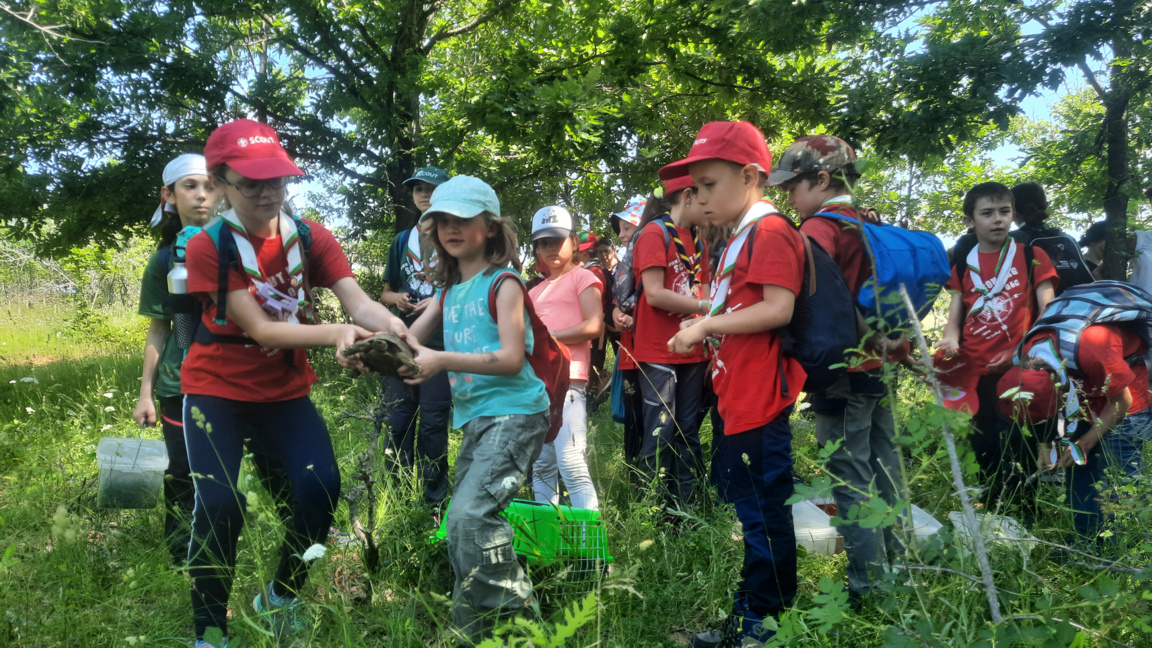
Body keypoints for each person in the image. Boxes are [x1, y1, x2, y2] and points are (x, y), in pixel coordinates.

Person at [181, 119, 408, 648]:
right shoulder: (208, 246)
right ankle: (209, 633)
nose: (265, 193)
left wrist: (394, 329)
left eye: (276, 182)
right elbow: (259, 328)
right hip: (216, 389)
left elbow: (359, 302)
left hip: (284, 392)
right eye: (250, 183)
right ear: (220, 184)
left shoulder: (310, 237)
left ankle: (280, 597)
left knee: (320, 489)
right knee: (219, 505)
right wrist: (338, 335)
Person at [665, 120, 804, 648]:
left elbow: (778, 307)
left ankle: (761, 628)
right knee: (753, 514)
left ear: (749, 175)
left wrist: (705, 324)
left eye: (707, 184)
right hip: (737, 395)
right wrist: (703, 324)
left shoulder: (768, 232)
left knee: (765, 516)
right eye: (694, 188)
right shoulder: (741, 236)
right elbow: (742, 305)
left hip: (760, 400)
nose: (698, 196)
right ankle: (753, 618)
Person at [398, 175, 550, 643]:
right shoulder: (447, 292)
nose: (451, 228)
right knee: (460, 525)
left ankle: (526, 623)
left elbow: (509, 359)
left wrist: (441, 360)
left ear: (490, 226)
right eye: (441, 220)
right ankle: (473, 628)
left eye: (462, 218)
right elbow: (409, 339)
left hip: (517, 412)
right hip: (479, 420)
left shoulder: (504, 283)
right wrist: (368, 351)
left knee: (468, 518)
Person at [768, 134, 909, 603]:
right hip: (879, 369)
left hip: (843, 373)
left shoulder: (816, 231)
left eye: (793, 187)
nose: (789, 196)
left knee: (852, 482)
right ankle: (902, 576)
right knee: (887, 472)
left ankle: (870, 593)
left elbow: (815, 308)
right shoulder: (868, 224)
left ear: (822, 179)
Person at [934, 181, 1058, 519]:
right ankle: (992, 512)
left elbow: (1049, 313)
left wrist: (1020, 352)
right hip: (976, 372)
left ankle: (1025, 514)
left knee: (1020, 442)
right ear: (970, 221)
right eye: (987, 213)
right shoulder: (962, 265)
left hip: (1021, 369)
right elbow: (954, 320)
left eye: (1004, 212)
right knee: (984, 443)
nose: (997, 220)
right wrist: (949, 342)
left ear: (1014, 216)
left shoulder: (1032, 255)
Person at [997, 291, 1151, 542]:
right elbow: (1041, 414)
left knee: (1119, 479)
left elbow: (1122, 403)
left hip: (1125, 405)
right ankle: (1087, 539)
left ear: (1058, 389)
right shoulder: (1024, 355)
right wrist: (1046, 446)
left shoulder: (1092, 348)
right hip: (1084, 401)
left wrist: (1087, 442)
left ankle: (1121, 549)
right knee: (1078, 468)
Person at [132, 153, 221, 565]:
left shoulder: (239, 247)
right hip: (178, 382)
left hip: (235, 377)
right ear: (169, 195)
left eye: (210, 185)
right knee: (182, 470)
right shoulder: (164, 259)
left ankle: (301, 531)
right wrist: (145, 393)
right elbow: (158, 328)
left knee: (260, 461)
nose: (202, 196)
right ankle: (182, 551)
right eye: (190, 186)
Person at [630, 173, 711, 512]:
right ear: (687, 196)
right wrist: (703, 309)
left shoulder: (700, 241)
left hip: (693, 352)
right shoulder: (653, 233)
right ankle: (648, 511)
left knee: (689, 430)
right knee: (659, 431)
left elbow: (703, 287)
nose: (708, 204)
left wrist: (702, 314)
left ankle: (685, 508)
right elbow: (655, 293)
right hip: (658, 350)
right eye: (704, 193)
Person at [379, 166, 452, 511]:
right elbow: (385, 292)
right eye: (418, 189)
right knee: (397, 422)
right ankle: (397, 500)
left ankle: (434, 501)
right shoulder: (401, 241)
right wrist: (399, 301)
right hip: (401, 342)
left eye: (431, 188)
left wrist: (437, 300)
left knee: (434, 424)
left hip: (440, 344)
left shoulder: (454, 237)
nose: (424, 194)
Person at [527, 209, 603, 510]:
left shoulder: (583, 277)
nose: (551, 248)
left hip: (569, 381)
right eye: (543, 242)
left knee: (571, 462)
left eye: (558, 240)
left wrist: (549, 337)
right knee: (541, 465)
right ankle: (545, 548)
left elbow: (594, 325)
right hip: (536, 386)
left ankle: (591, 552)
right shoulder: (534, 291)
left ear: (573, 242)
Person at [609, 196, 647, 468]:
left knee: (653, 415)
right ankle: (634, 475)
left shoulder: (651, 254)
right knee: (633, 415)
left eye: (627, 227)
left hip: (651, 351)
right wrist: (617, 313)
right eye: (620, 228)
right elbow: (616, 302)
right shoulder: (624, 266)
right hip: (630, 352)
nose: (621, 235)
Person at [1007, 182, 1094, 294]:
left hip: (1045, 308)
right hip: (1082, 305)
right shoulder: (1067, 238)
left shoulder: (1011, 240)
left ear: (1014, 212)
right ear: (1045, 205)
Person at [573, 230, 614, 399]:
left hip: (596, 329)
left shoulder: (593, 272)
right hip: (598, 327)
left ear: (583, 251)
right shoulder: (596, 269)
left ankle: (593, 399)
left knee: (593, 366)